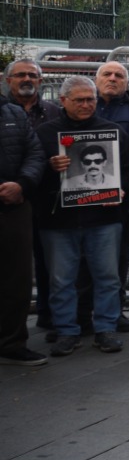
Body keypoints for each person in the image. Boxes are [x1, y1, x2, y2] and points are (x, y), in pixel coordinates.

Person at [37, 75, 129, 356]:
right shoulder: (46, 134)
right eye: (79, 100)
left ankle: (105, 329)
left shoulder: (113, 132)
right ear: (63, 100)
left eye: (90, 99)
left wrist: (121, 190)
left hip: (103, 220)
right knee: (61, 279)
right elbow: (30, 172)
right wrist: (48, 166)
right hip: (58, 222)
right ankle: (67, 331)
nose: (85, 105)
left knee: (107, 277)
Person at [5, 59, 61, 338]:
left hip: (44, 199)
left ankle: (48, 317)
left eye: (33, 75)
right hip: (12, 201)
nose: (27, 79)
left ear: (40, 80)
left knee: (45, 261)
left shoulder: (53, 111)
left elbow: (37, 154)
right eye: (20, 75)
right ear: (7, 80)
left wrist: (24, 182)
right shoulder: (6, 112)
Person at [95, 61, 129, 333]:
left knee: (118, 256)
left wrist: (121, 186)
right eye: (107, 74)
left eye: (119, 75)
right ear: (97, 79)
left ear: (126, 82)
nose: (113, 79)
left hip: (122, 195)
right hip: (81, 196)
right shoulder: (83, 102)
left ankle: (115, 310)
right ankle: (83, 314)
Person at [0, 90, 45, 366]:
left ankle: (11, 343)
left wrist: (22, 184)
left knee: (17, 280)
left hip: (14, 205)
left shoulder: (14, 113)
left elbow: (35, 153)